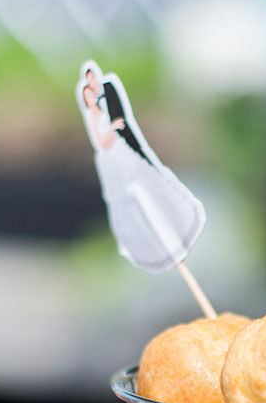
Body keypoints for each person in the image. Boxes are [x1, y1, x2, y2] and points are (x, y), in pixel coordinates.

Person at [76, 62, 204, 274]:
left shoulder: (109, 92)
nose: (91, 94)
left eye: (91, 89)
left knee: (153, 188)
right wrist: (111, 129)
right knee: (136, 201)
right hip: (115, 158)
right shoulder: (94, 116)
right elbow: (101, 141)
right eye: (87, 94)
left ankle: (175, 228)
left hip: (126, 152)